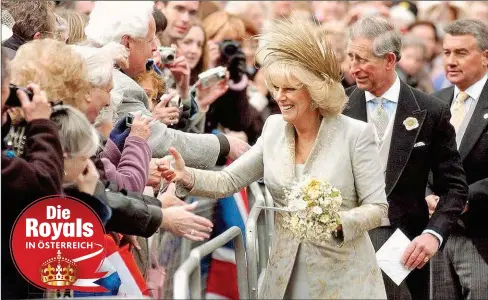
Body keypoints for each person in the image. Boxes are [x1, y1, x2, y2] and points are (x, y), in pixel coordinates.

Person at [161, 16, 388, 299]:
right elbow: (228, 180)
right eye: (276, 87)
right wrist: (187, 176)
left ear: (315, 92)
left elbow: (378, 207)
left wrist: (339, 222)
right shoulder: (273, 129)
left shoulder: (355, 134)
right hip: (285, 275)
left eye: (290, 89)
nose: (280, 97)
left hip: (343, 277)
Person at [343, 16, 468, 300]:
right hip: (345, 243)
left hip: (403, 247)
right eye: (350, 57)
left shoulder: (430, 111)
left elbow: (453, 187)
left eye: (362, 59)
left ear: (389, 60)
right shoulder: (337, 108)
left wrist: (432, 235)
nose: (353, 68)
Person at [84, 1, 249, 168]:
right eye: (150, 41)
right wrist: (223, 144)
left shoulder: (91, 62)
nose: (155, 47)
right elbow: (159, 139)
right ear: (127, 42)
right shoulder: (120, 84)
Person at [429, 19, 488, 300]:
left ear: (486, 57)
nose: (450, 61)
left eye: (461, 53)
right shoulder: (434, 102)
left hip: (481, 236)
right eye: (446, 52)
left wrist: (465, 200)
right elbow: (417, 162)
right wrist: (426, 195)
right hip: (435, 237)